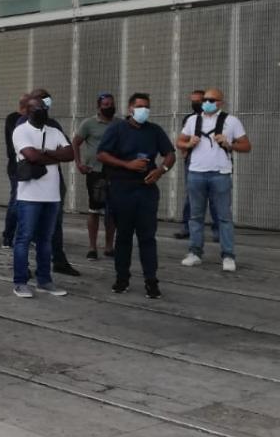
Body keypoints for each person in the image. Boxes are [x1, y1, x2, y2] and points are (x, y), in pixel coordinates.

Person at [97, 92, 176, 299]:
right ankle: (122, 278)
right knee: (123, 236)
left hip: (146, 190)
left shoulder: (154, 130)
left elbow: (170, 153)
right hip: (122, 189)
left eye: (147, 107)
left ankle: (151, 281)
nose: (144, 111)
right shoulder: (117, 128)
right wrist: (127, 164)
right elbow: (102, 154)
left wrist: (161, 170)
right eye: (140, 106)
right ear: (131, 108)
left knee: (147, 237)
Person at [177, 88, 250, 272]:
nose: (207, 102)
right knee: (195, 215)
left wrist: (229, 144)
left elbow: (247, 145)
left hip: (220, 174)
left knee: (224, 217)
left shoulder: (231, 121)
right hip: (196, 173)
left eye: (211, 99)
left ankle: (228, 255)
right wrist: (188, 143)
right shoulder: (193, 120)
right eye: (205, 99)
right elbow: (179, 142)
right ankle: (194, 252)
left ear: (220, 102)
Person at [11, 97, 74, 298]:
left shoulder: (54, 131)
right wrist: (53, 155)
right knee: (24, 238)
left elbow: (70, 154)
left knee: (46, 240)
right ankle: (20, 281)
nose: (41, 111)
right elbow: (31, 156)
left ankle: (44, 280)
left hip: (52, 195)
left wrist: (44, 152)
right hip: (29, 195)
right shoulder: (21, 131)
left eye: (44, 108)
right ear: (28, 111)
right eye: (37, 108)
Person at [73, 93, 118, 260]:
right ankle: (92, 247)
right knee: (94, 209)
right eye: (106, 104)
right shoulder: (89, 124)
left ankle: (109, 246)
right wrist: (79, 163)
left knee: (112, 211)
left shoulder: (119, 124)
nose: (109, 107)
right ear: (99, 107)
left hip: (114, 172)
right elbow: (75, 142)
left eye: (111, 104)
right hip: (95, 172)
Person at [175, 89, 221, 241]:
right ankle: (187, 228)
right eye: (193, 101)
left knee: (215, 197)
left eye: (198, 101)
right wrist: (187, 147)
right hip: (193, 161)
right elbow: (181, 142)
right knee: (191, 196)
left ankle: (218, 231)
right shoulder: (189, 119)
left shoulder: (219, 119)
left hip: (214, 162)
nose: (195, 104)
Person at [1, 93, 31, 248]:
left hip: (30, 167)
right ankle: (8, 235)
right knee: (16, 201)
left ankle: (27, 234)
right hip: (17, 167)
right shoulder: (14, 119)